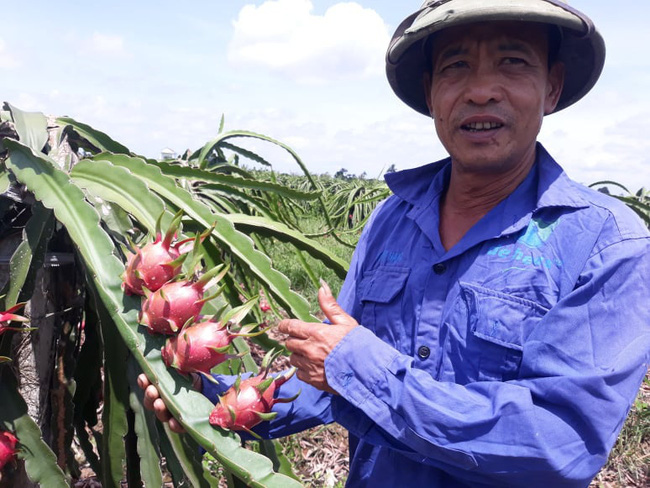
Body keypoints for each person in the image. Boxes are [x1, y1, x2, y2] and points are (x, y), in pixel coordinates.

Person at [139, 0, 650, 486]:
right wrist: (215, 400)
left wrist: (358, 367)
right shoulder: (394, 217)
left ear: (552, 87)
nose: (480, 90)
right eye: (455, 67)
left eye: (512, 62)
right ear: (431, 93)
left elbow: (560, 444)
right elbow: (329, 378)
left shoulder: (607, 244)